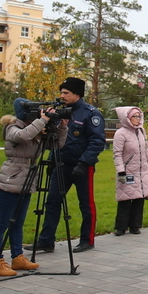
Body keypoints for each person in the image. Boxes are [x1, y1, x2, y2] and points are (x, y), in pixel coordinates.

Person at [36, 78, 106, 253]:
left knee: (86, 204)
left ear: (77, 94)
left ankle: (87, 240)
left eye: (66, 93)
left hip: (82, 166)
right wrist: (52, 158)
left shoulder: (91, 113)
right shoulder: (60, 112)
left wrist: (83, 163)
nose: (62, 96)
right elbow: (55, 138)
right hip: (61, 164)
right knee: (52, 202)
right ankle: (46, 241)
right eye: (61, 92)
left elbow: (97, 141)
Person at [0, 109, 53, 277]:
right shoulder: (12, 128)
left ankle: (17, 257)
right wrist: (43, 120)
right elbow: (23, 136)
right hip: (10, 180)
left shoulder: (34, 128)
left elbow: (57, 144)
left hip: (27, 179)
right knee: (2, 223)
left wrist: (61, 126)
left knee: (18, 222)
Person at [111, 106, 148, 236]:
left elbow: (145, 149)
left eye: (138, 116)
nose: (137, 119)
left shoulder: (141, 131)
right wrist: (121, 171)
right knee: (125, 199)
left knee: (139, 197)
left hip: (141, 170)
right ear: (127, 118)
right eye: (134, 116)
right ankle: (121, 227)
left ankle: (135, 225)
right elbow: (117, 154)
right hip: (128, 171)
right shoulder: (121, 133)